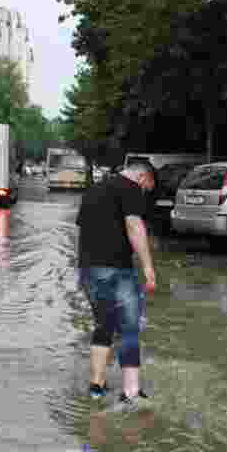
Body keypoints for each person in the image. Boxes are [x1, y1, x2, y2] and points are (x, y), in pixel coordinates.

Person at [75, 162, 157, 408]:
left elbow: (83, 231)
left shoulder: (93, 190)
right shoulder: (130, 188)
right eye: (147, 188)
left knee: (104, 324)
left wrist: (84, 269)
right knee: (129, 327)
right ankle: (131, 392)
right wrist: (148, 267)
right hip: (118, 269)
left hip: (89, 269)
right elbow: (134, 226)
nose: (143, 193)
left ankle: (96, 386)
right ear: (142, 177)